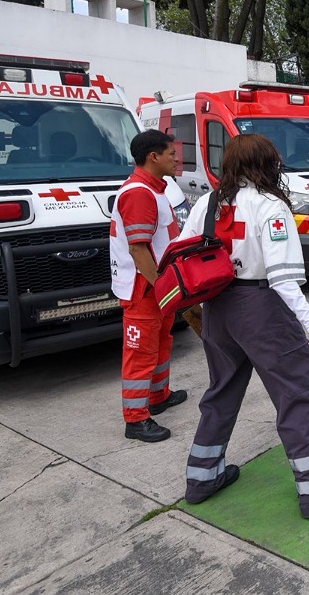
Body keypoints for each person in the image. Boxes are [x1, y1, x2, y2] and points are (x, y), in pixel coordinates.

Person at [178, 134, 309, 518]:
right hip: (261, 308)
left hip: (217, 307)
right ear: (267, 164)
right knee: (296, 392)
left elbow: (180, 251)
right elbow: (281, 276)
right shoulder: (271, 205)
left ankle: (201, 478)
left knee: (221, 391)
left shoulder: (207, 203)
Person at [109, 129, 187, 442]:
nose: (176, 158)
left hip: (156, 285)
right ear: (153, 157)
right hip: (144, 289)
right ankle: (136, 419)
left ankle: (158, 396)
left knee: (161, 343)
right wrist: (160, 286)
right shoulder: (139, 193)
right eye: (171, 153)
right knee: (141, 351)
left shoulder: (156, 189)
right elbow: (138, 248)